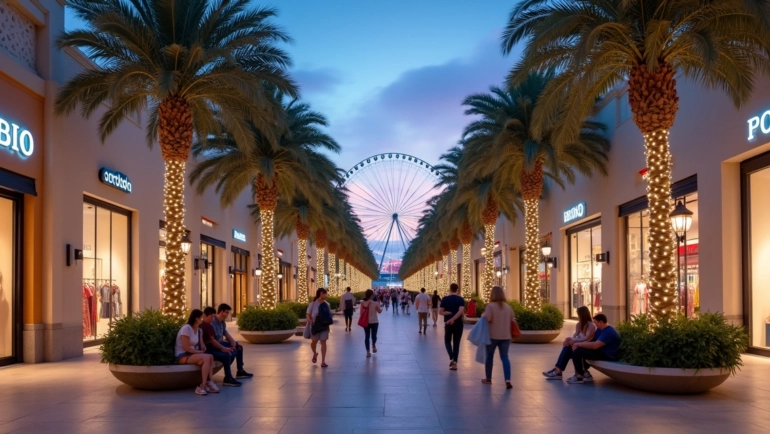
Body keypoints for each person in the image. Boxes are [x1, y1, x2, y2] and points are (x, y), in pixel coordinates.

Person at [542, 306, 596, 381]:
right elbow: (575, 335)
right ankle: (558, 370)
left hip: (586, 346)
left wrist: (574, 341)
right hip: (579, 345)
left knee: (571, 348)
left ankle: (558, 371)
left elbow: (587, 338)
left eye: (578, 314)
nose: (578, 316)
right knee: (567, 346)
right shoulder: (578, 324)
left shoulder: (591, 325)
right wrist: (569, 340)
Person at [566, 313, 621, 384]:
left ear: (601, 322)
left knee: (578, 351)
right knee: (573, 348)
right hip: (600, 351)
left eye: (595, 322)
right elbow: (591, 340)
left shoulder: (609, 332)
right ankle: (584, 373)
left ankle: (579, 376)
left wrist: (579, 344)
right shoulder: (599, 329)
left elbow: (595, 345)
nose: (594, 325)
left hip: (607, 355)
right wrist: (574, 342)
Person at [175, 309, 218, 395]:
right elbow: (186, 348)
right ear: (196, 319)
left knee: (210, 356)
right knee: (206, 357)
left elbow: (201, 344)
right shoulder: (186, 329)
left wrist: (203, 348)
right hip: (183, 355)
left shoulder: (199, 330)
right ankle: (202, 385)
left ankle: (209, 382)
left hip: (192, 353)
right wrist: (199, 353)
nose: (203, 319)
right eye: (201, 318)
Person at [482, 286, 513, 389]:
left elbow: (488, 318)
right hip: (506, 336)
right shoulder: (508, 307)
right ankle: (507, 380)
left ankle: (488, 379)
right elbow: (512, 319)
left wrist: (483, 315)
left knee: (489, 357)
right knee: (505, 357)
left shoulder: (490, 306)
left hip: (492, 336)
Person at [201, 307, 241, 387]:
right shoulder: (204, 326)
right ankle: (228, 378)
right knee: (227, 355)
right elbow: (212, 341)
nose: (213, 318)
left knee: (235, 349)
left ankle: (236, 372)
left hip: (213, 346)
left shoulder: (210, 325)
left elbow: (221, 336)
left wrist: (232, 343)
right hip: (208, 349)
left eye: (213, 316)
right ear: (205, 316)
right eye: (211, 317)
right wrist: (223, 349)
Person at [211, 303, 253, 379]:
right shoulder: (213, 322)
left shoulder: (222, 322)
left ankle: (240, 370)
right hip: (216, 345)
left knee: (238, 347)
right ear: (221, 312)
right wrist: (222, 341)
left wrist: (233, 342)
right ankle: (228, 376)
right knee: (230, 352)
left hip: (221, 342)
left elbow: (225, 333)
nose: (228, 314)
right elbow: (215, 338)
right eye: (226, 312)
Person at [439, 283, 465, 371]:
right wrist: (454, 318)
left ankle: (451, 357)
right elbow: (461, 311)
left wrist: (449, 315)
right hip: (458, 324)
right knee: (456, 343)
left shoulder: (445, 299)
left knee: (447, 341)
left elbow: (441, 312)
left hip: (448, 324)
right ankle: (455, 362)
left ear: (450, 289)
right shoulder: (460, 299)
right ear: (457, 289)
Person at [307, 288, 332, 367]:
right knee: (314, 341)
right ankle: (315, 353)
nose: (325, 295)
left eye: (325, 293)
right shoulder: (313, 304)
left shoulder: (327, 304)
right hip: (315, 325)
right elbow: (308, 314)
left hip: (324, 325)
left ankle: (323, 361)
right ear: (320, 294)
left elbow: (329, 314)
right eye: (324, 293)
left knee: (323, 342)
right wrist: (310, 320)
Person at [360, 289, 383, 357]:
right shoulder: (375, 303)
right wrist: (380, 306)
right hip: (374, 322)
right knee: (374, 335)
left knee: (367, 336)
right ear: (372, 295)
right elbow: (379, 311)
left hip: (366, 322)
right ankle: (374, 345)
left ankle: (368, 352)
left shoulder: (362, 303)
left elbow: (361, 313)